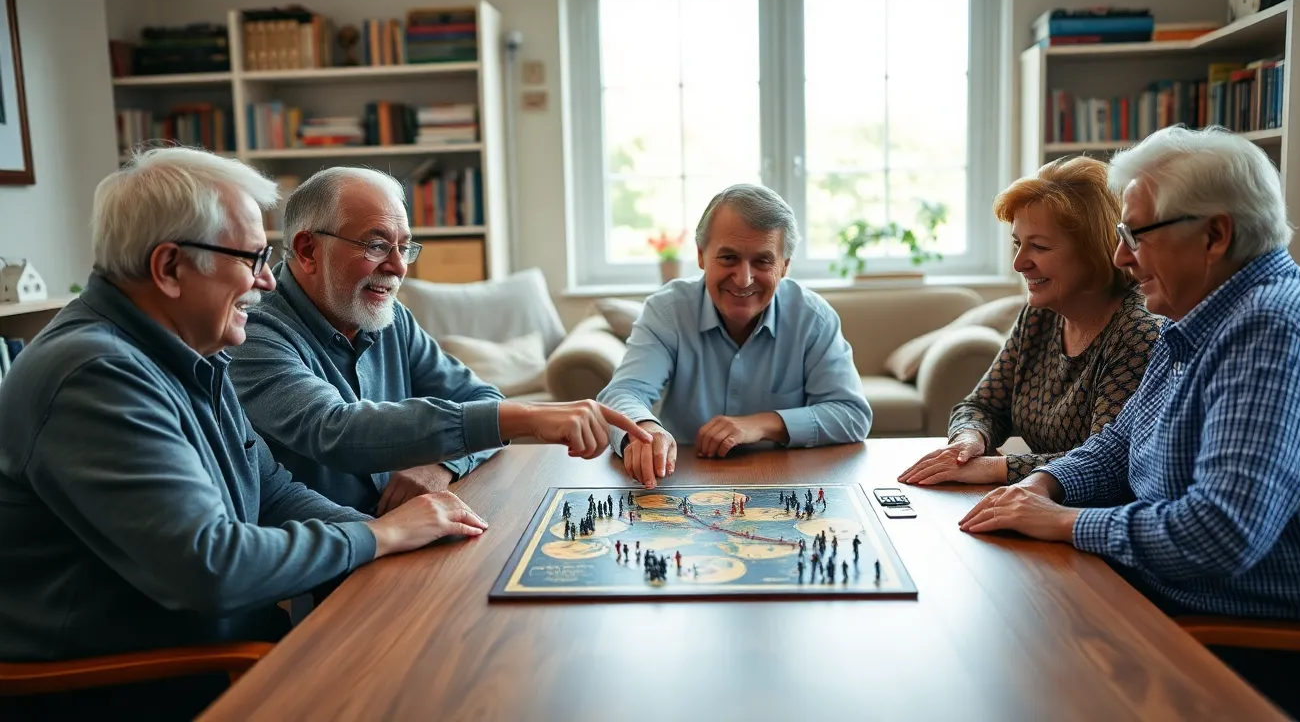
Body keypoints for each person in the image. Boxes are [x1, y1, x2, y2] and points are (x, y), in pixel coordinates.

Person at [0, 149, 486, 718]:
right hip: (137, 683)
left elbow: (272, 491)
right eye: (252, 258)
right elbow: (211, 567)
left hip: (231, 643)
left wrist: (404, 535)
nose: (267, 281)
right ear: (169, 268)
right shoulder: (95, 375)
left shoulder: (187, 351)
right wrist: (382, 538)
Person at [958, 127, 1300, 721]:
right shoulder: (1197, 316)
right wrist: (1045, 485)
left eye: (1135, 235)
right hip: (1170, 595)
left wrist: (1064, 521)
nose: (1121, 257)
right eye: (1120, 235)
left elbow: (1220, 533)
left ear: (1216, 234)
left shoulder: (1270, 329)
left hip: (1252, 637)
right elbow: (1118, 443)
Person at [228, 167, 649, 515]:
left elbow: (480, 394)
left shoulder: (392, 320)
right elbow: (336, 429)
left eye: (405, 248)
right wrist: (526, 417)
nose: (397, 267)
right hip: (327, 565)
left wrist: (442, 464)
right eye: (376, 245)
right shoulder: (252, 330)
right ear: (307, 250)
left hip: (413, 533)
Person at [900, 156, 1164, 487]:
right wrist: (970, 439)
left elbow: (1105, 462)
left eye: (1037, 246)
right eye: (1017, 243)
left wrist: (994, 467)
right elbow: (982, 405)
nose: (1019, 263)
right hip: (1037, 503)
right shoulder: (1040, 315)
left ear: (1095, 251)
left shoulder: (1136, 332)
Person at [596, 184, 872, 487]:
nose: (744, 279)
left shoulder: (814, 319)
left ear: (785, 265)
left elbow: (851, 415)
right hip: (682, 480)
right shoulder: (667, 311)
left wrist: (764, 424)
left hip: (788, 481)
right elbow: (622, 394)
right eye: (728, 258)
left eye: (763, 261)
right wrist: (646, 429)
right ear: (701, 256)